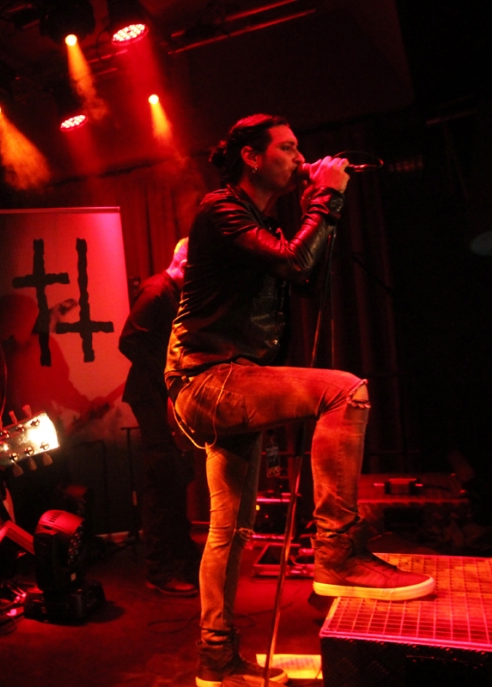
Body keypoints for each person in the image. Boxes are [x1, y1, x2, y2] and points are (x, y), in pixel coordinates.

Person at [165, 114, 434, 687]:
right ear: (250, 156)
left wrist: (322, 205)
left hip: (230, 381)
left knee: (229, 533)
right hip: (209, 381)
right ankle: (336, 550)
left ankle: (217, 659)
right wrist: (327, 199)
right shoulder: (221, 208)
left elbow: (305, 277)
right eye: (286, 148)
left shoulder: (262, 222)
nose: (297, 157)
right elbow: (292, 261)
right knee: (345, 390)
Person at [119, 238, 200, 596]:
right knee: (161, 478)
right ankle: (160, 568)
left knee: (175, 475)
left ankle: (179, 553)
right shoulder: (155, 293)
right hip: (151, 396)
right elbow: (129, 341)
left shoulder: (171, 292)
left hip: (160, 395)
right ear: (184, 264)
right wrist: (167, 377)